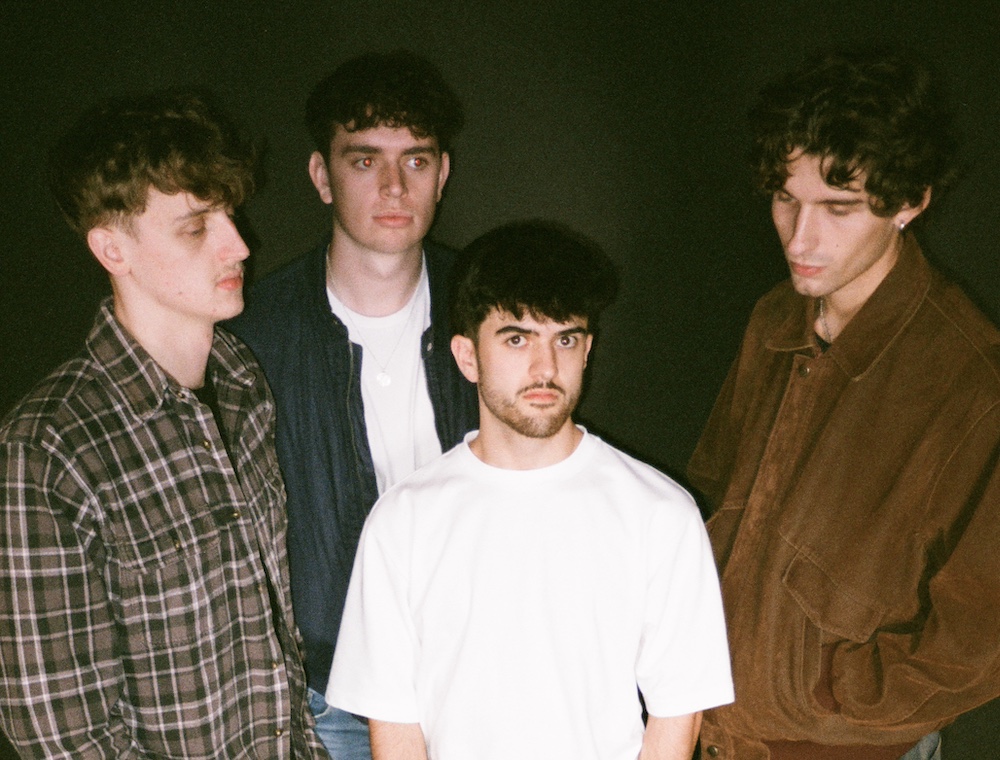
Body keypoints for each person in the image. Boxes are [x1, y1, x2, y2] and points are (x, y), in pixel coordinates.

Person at [687, 48, 1000, 760]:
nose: (801, 237)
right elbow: (708, 499)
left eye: (839, 207)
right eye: (785, 199)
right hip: (714, 737)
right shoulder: (774, 318)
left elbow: (983, 632)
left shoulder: (971, 382)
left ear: (910, 201)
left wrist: (838, 693)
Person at [327, 220, 734, 760]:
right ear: (467, 356)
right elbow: (394, 724)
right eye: (517, 339)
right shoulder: (403, 521)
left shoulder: (660, 513)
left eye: (565, 339)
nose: (546, 368)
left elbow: (677, 712)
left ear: (587, 351)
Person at [0, 92, 326, 758]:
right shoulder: (48, 450)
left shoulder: (241, 382)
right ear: (112, 249)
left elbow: (275, 641)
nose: (240, 244)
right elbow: (65, 736)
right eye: (196, 226)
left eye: (229, 213)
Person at [224, 50, 479, 759]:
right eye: (365, 160)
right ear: (321, 176)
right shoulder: (252, 336)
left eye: (416, 160)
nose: (394, 186)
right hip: (332, 698)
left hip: (481, 671)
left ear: (442, 174)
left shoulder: (493, 311)